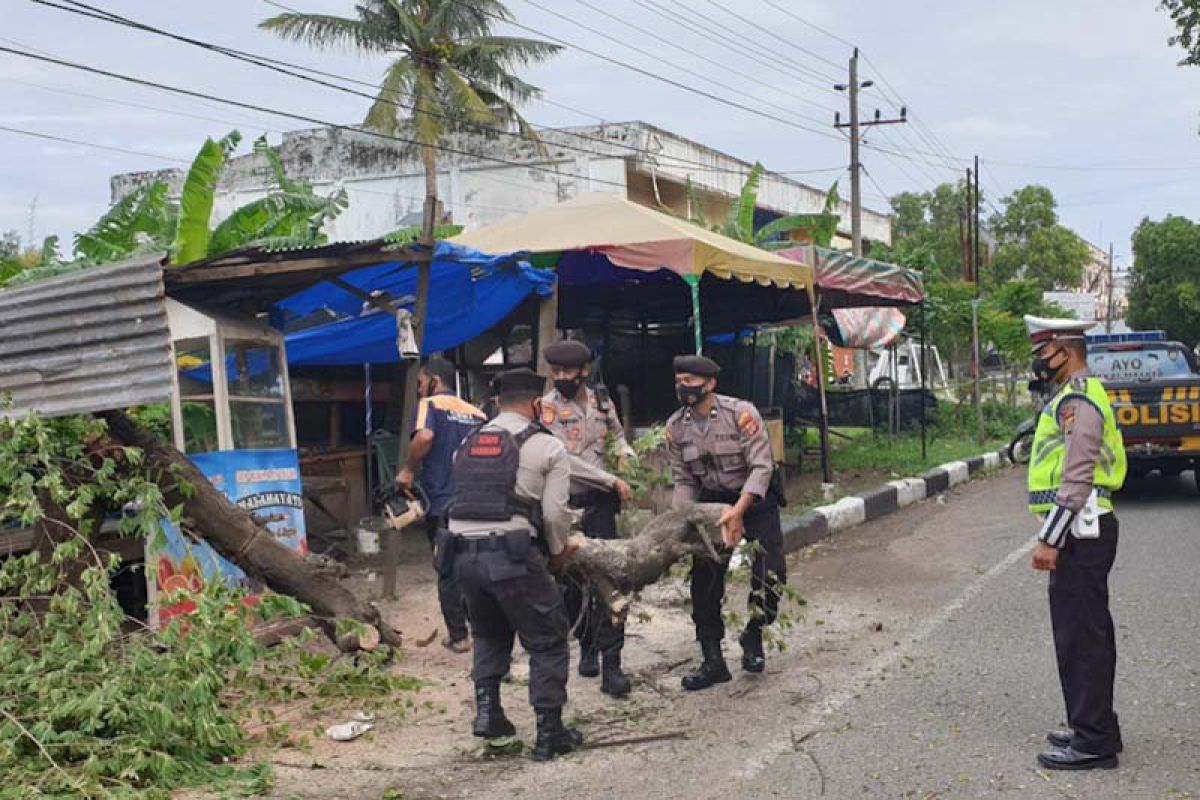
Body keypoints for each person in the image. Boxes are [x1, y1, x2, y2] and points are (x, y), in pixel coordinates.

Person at [446, 367, 583, 761]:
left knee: (489, 634)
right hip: (513, 555)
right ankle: (549, 733)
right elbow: (556, 515)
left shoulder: (468, 442)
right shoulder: (547, 446)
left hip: (462, 558)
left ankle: (490, 717)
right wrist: (557, 554)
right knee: (547, 639)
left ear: (496, 403)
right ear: (536, 403)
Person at [1024, 315, 1127, 771]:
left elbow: (1078, 475)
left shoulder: (1079, 400)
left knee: (1081, 637)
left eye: (1044, 352)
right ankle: (1092, 724)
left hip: (1079, 532)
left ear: (1067, 350)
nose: (1039, 362)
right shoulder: (1070, 397)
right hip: (1081, 532)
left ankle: (1094, 742)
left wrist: (1050, 538)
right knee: (1082, 633)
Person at [665, 355, 785, 690]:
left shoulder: (741, 414)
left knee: (771, 574)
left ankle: (754, 634)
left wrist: (739, 511)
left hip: (755, 500)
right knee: (704, 582)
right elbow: (683, 479)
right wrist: (683, 517)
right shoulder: (675, 428)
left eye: (690, 380)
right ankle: (712, 659)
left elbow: (762, 468)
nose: (683, 387)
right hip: (711, 506)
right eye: (679, 380)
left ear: (710, 384)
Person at [540, 340, 635, 697]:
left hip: (601, 505)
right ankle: (587, 644)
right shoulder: (546, 410)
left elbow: (618, 437)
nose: (560, 378)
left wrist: (625, 455)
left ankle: (613, 664)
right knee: (571, 583)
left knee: (610, 579)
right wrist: (611, 478)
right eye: (555, 372)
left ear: (583, 372)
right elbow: (563, 458)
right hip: (565, 505)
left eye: (567, 372)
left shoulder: (602, 401)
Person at [395, 358, 485, 653]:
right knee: (475, 567)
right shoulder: (478, 413)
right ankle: (484, 631)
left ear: (434, 380)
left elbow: (426, 436)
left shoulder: (429, 406)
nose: (420, 390)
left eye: (421, 384)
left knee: (447, 568)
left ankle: (459, 636)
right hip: (477, 501)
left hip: (442, 503)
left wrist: (408, 469)